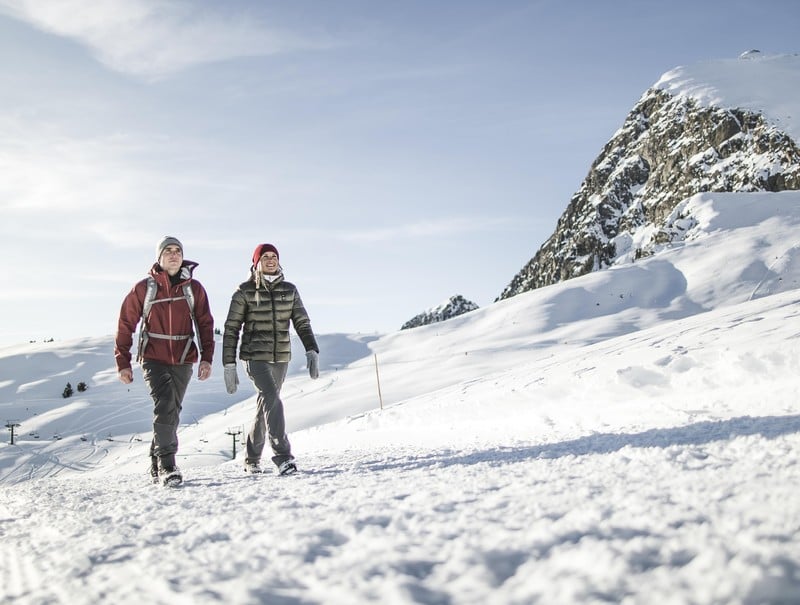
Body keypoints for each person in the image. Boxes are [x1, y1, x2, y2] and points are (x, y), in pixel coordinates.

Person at [114, 236, 215, 486]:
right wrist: (123, 362)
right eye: (168, 251)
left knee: (172, 411)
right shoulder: (144, 288)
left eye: (177, 251)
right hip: (153, 357)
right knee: (166, 404)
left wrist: (207, 358)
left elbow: (205, 324)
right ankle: (169, 466)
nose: (173, 255)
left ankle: (156, 461)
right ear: (159, 258)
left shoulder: (194, 289)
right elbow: (126, 325)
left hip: (183, 358)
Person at [222, 243, 319, 476]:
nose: (270, 260)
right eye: (265, 257)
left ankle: (252, 458)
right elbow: (232, 328)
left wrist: (311, 349)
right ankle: (283, 456)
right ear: (256, 262)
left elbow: (302, 322)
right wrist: (229, 363)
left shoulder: (290, 290)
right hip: (255, 357)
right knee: (272, 400)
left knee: (265, 406)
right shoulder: (244, 291)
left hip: (281, 357)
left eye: (274, 256)